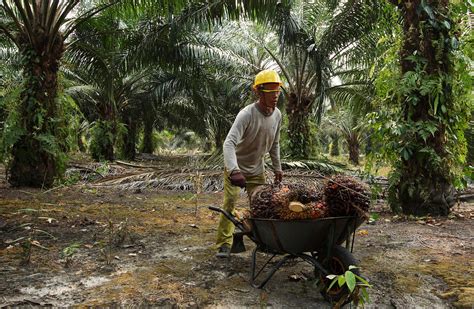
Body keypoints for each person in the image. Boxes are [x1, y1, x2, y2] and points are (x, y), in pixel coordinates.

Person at [216, 69, 284, 258]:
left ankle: (263, 240)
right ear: (259, 92)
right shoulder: (247, 114)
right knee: (229, 203)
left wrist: (278, 167)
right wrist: (233, 170)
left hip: (257, 169)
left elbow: (275, 144)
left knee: (261, 205)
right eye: (271, 92)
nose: (275, 96)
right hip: (236, 167)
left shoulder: (277, 115)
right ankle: (223, 243)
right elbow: (229, 143)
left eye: (277, 91)